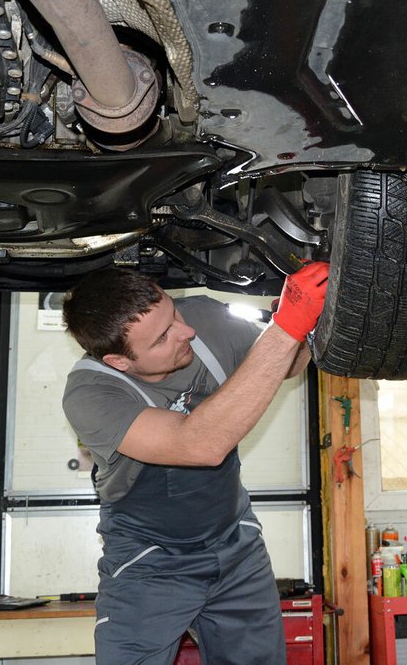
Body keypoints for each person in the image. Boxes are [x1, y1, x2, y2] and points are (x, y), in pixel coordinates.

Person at [61, 261, 329, 665]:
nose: (185, 332)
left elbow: (284, 366)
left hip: (234, 544)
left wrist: (306, 329)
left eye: (174, 314)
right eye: (163, 338)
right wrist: (286, 329)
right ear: (119, 361)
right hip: (150, 560)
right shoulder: (91, 395)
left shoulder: (203, 318)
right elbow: (200, 444)